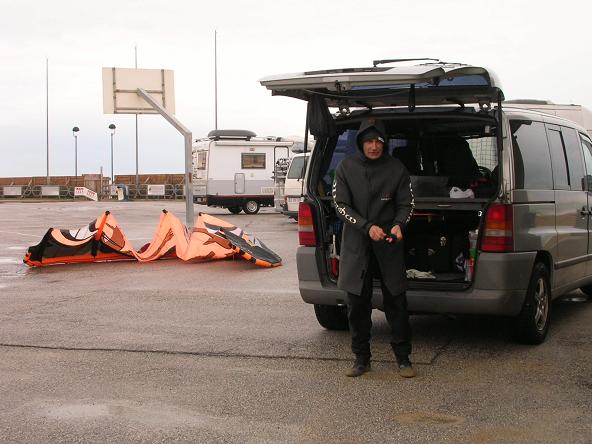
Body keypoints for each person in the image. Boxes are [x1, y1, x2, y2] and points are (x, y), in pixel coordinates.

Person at [332, 118, 415, 378]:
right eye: (368, 141)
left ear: (384, 143)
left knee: (397, 301)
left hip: (388, 243)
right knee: (357, 303)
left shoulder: (396, 168)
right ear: (360, 143)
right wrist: (367, 227)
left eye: (378, 141)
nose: (374, 146)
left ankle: (403, 359)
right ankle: (361, 358)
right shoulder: (346, 167)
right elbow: (341, 205)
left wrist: (399, 224)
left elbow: (407, 203)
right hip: (357, 244)